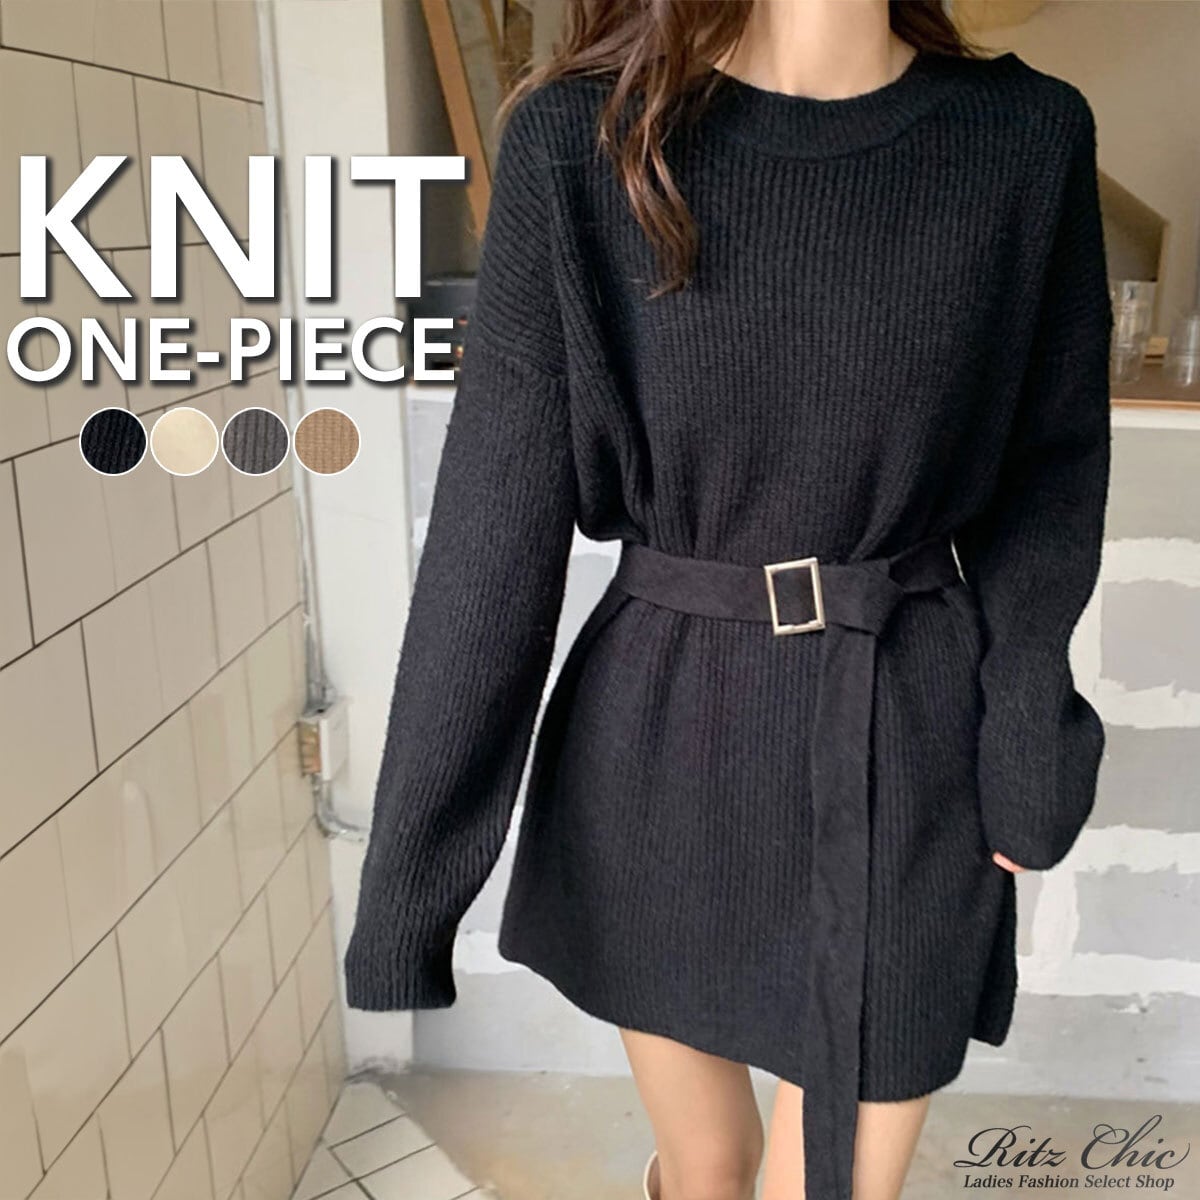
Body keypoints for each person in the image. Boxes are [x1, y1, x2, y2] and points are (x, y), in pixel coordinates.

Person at [343, 1, 1113, 1197]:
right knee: (708, 1171)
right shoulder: (581, 142)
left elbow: (1047, 476)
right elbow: (490, 542)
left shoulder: (1025, 136)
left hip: (902, 733)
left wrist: (1027, 730)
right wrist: (411, 888)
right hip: (662, 742)